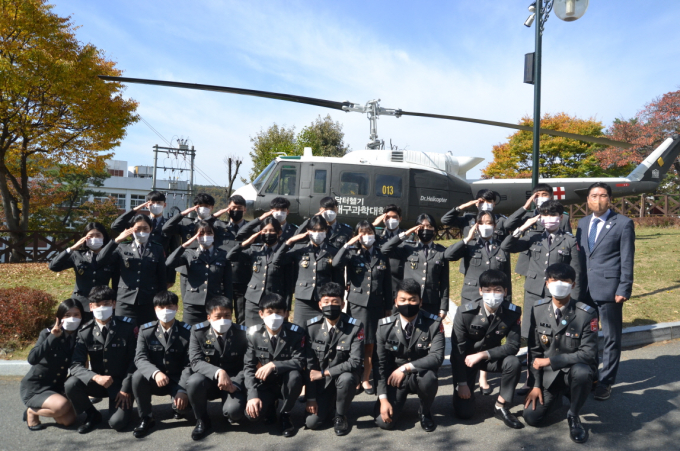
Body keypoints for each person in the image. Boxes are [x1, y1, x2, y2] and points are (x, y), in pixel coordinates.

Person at [501, 200, 582, 394]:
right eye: (544, 215)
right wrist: (523, 228)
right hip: (534, 294)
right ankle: (531, 380)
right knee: (532, 337)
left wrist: (574, 303)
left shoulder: (570, 241)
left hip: (559, 296)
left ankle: (558, 380)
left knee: (558, 337)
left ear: (561, 217)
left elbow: (577, 274)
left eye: (552, 215)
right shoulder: (533, 237)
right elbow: (506, 246)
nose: (548, 219)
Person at [523, 263, 598, 444]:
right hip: (549, 377)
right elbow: (534, 351)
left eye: (565, 280)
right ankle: (556, 396)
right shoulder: (538, 309)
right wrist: (535, 385)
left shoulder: (586, 313)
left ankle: (573, 414)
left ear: (573, 285)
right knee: (532, 418)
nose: (559, 284)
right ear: (547, 283)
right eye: (554, 280)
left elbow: (589, 354)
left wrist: (550, 361)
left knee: (582, 372)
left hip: (573, 372)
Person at [575, 182, 635, 401]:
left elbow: (627, 258)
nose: (597, 199)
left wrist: (624, 288)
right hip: (585, 291)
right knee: (587, 337)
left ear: (609, 199)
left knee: (611, 338)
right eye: (593, 195)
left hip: (610, 290)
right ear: (588, 200)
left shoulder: (623, 223)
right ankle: (591, 376)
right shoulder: (582, 223)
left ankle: (606, 382)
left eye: (602, 195)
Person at [450, 270, 523, 428]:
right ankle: (466, 393)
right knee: (465, 413)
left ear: (505, 291)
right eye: (487, 290)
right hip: (467, 361)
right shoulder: (465, 313)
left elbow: (513, 346)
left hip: (489, 358)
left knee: (513, 362)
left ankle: (501, 406)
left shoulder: (512, 312)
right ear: (480, 291)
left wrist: (483, 354)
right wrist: (462, 383)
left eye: (497, 290)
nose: (492, 294)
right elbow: (458, 351)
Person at [374, 279, 445, 432]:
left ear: (420, 302)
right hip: (394, 379)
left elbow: (437, 357)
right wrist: (383, 399)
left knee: (429, 378)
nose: (408, 304)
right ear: (396, 302)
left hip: (419, 374)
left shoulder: (433, 323)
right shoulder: (384, 326)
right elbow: (380, 364)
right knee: (384, 422)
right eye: (403, 300)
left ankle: (425, 411)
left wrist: (406, 368)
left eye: (413, 300)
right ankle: (394, 401)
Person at [65, 286, 136, 434]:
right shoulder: (85, 331)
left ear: (114, 304)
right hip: (98, 382)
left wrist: (126, 388)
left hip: (120, 385)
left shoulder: (127, 327)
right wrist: (95, 377)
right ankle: (92, 414)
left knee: (117, 423)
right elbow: (76, 365)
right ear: (91, 307)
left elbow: (134, 361)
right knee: (71, 383)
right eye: (97, 305)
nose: (102, 308)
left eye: (106, 303)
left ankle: (124, 405)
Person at [333, 220, 392, 395]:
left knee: (370, 344)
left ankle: (366, 379)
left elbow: (387, 283)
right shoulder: (352, 254)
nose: (367, 237)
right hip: (357, 305)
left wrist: (388, 306)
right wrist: (347, 245)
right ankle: (356, 377)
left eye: (369, 233)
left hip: (376, 306)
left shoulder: (381, 255)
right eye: (363, 233)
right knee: (356, 343)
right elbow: (335, 264)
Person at [186, 296, 249, 441]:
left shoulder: (242, 333)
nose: (223, 320)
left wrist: (236, 383)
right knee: (194, 382)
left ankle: (228, 408)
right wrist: (218, 372)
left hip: (233, 382)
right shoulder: (198, 331)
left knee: (234, 413)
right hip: (208, 379)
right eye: (218, 316)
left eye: (227, 316)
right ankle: (202, 420)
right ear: (209, 317)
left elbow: (248, 364)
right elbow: (195, 361)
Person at [305, 282, 364, 435]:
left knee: (346, 379)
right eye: (326, 302)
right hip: (322, 384)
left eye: (335, 302)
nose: (330, 306)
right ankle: (330, 403)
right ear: (319, 304)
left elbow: (355, 361)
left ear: (342, 304)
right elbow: (310, 365)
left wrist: (325, 373)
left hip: (343, 377)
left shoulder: (355, 327)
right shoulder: (312, 327)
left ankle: (340, 415)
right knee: (312, 423)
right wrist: (310, 398)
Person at [130, 291, 192, 438]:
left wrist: (183, 390)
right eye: (161, 307)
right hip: (155, 379)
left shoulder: (187, 332)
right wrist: (155, 372)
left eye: (169, 306)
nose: (165, 311)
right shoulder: (146, 331)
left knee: (185, 411)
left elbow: (190, 363)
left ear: (177, 308)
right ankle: (146, 417)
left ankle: (177, 406)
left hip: (177, 380)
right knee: (138, 376)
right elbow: (140, 358)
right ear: (155, 309)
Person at [244, 294, 306, 437]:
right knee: (252, 416)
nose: (274, 316)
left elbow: (300, 360)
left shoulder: (296, 333)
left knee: (295, 376)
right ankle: (270, 406)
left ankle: (285, 414)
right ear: (261, 314)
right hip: (265, 383)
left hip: (286, 381)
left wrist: (274, 365)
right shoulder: (253, 334)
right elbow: (248, 367)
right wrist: (252, 396)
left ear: (286, 314)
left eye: (278, 312)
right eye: (269, 312)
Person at [20, 299, 83, 430]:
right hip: (36, 387)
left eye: (76, 315)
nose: (72, 318)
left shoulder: (81, 335)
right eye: (67, 315)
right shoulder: (48, 333)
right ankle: (31, 411)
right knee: (62, 406)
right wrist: (52, 338)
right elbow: (32, 358)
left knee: (69, 421)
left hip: (56, 387)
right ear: (59, 318)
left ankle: (50, 407)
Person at [273, 215, 345, 326]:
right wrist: (290, 241)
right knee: (300, 330)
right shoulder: (300, 248)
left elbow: (338, 277)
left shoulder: (333, 250)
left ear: (326, 230)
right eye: (314, 230)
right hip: (303, 299)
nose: (317, 233)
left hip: (323, 299)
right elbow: (276, 261)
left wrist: (338, 298)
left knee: (321, 331)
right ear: (308, 231)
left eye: (321, 230)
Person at [96, 214, 167, 325]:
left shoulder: (157, 248)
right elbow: (100, 260)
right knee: (123, 333)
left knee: (147, 333)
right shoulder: (122, 247)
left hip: (148, 300)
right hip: (125, 300)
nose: (142, 232)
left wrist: (162, 301)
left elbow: (162, 276)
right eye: (138, 229)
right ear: (131, 230)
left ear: (151, 229)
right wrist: (116, 240)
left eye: (145, 229)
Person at [380, 213, 449, 317]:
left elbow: (444, 282)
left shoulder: (441, 251)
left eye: (429, 226)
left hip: (430, 302)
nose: (426, 229)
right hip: (409, 300)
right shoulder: (407, 248)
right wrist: (406, 234)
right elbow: (384, 250)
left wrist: (443, 308)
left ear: (434, 230)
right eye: (422, 226)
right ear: (416, 229)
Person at [162, 193, 230, 298]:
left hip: (209, 266)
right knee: (188, 299)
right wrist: (182, 214)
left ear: (212, 208)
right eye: (200, 206)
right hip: (187, 266)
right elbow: (166, 228)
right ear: (195, 208)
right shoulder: (187, 223)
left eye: (207, 206)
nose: (203, 209)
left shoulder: (217, 225)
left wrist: (212, 218)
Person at [165, 221, 233, 325]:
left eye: (209, 233)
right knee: (190, 336)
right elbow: (169, 263)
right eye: (201, 233)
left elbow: (228, 283)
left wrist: (228, 307)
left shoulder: (222, 255)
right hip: (193, 305)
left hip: (214, 304)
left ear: (214, 235)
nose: (206, 236)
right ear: (196, 236)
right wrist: (184, 246)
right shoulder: (189, 253)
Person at [226, 217, 288, 327]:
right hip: (253, 299)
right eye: (264, 231)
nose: (268, 233)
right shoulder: (254, 250)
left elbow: (290, 280)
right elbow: (230, 256)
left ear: (279, 232)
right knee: (251, 332)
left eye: (271, 231)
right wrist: (245, 243)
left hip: (274, 299)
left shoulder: (284, 252)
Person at [48, 222, 117, 322]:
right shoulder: (77, 255)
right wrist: (71, 249)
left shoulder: (112, 256)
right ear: (84, 238)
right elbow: (53, 266)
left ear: (104, 237)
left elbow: (117, 280)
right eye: (91, 236)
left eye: (98, 235)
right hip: (80, 302)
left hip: (101, 303)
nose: (94, 238)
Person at [111, 190, 180, 287]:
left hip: (159, 268)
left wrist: (170, 277)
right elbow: (115, 226)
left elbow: (174, 251)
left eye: (159, 203)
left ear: (164, 205)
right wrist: (135, 210)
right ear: (147, 205)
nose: (156, 205)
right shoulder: (138, 222)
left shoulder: (170, 225)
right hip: (136, 266)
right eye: (152, 203)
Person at [444, 211, 513, 304]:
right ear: (476, 226)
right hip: (472, 297)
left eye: (488, 223)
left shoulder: (502, 247)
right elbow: (448, 255)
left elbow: (507, 278)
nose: (484, 226)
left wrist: (507, 302)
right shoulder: (470, 244)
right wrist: (467, 239)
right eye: (480, 223)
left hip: (495, 299)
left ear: (495, 226)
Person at [213, 194, 251, 325]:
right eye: (233, 207)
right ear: (227, 209)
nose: (236, 210)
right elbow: (203, 224)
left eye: (239, 207)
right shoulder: (218, 227)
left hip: (244, 278)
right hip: (223, 278)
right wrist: (217, 214)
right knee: (222, 315)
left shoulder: (252, 228)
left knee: (243, 316)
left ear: (245, 209)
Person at [441, 188, 521, 243]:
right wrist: (462, 207)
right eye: (482, 202)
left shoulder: (501, 220)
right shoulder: (468, 219)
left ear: (494, 204)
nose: (485, 204)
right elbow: (445, 220)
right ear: (476, 203)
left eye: (489, 201)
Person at [373, 204, 406, 299]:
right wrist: (374, 224)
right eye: (388, 217)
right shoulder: (377, 235)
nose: (391, 220)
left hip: (398, 281)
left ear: (400, 219)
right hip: (379, 282)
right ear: (383, 219)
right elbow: (361, 233)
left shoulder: (407, 235)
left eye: (394, 217)